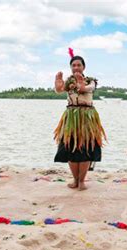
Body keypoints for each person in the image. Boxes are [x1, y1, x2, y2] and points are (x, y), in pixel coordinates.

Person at [53, 48, 106, 191]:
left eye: (79, 65)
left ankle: (82, 180)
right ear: (71, 67)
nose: (76, 67)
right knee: (70, 148)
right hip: (71, 117)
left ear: (84, 67)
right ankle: (75, 179)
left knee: (85, 149)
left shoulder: (91, 80)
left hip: (86, 117)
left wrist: (82, 85)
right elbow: (59, 89)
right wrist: (58, 85)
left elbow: (88, 89)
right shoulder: (68, 82)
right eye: (73, 65)